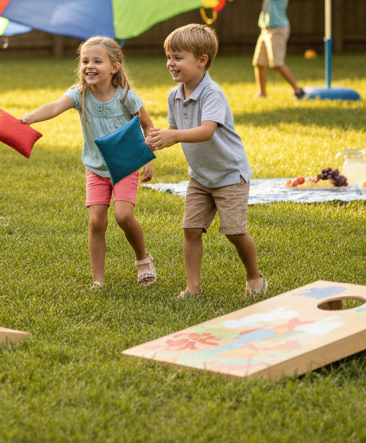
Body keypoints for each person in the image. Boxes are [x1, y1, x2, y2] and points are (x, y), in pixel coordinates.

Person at [18, 37, 159, 289]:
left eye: (97, 61)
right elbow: (54, 107)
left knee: (124, 216)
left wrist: (147, 155)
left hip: (126, 165)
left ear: (114, 67)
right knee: (96, 222)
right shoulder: (79, 94)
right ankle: (98, 280)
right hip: (96, 168)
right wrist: (29, 118)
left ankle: (143, 259)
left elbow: (147, 125)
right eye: (85, 61)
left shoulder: (126, 96)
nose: (89, 66)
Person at [145, 23, 267, 298]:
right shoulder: (174, 95)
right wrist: (158, 140)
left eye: (178, 57)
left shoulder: (212, 93)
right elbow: (177, 131)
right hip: (200, 176)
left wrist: (174, 135)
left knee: (234, 232)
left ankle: (254, 276)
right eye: (168, 57)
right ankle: (193, 288)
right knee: (190, 229)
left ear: (202, 61)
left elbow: (206, 131)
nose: (170, 63)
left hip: (229, 175)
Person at [233, 0, 305, 99]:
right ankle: (262, 93)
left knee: (276, 63)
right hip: (266, 29)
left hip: (277, 29)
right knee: (259, 62)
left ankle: (299, 91)